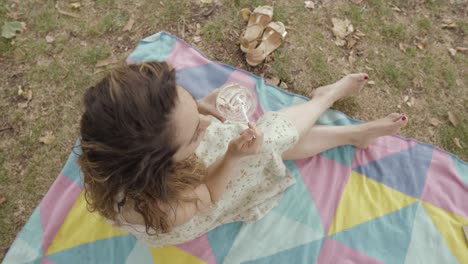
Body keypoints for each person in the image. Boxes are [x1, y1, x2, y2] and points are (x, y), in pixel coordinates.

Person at [78, 61, 407, 247]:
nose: (207, 123)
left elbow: (184, 119)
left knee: (258, 143)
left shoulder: (112, 151)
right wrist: (232, 157)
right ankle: (324, 101)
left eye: (190, 104)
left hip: (177, 171)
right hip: (199, 201)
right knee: (262, 142)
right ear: (155, 165)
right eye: (194, 132)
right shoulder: (161, 206)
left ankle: (350, 133)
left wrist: (198, 107)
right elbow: (207, 192)